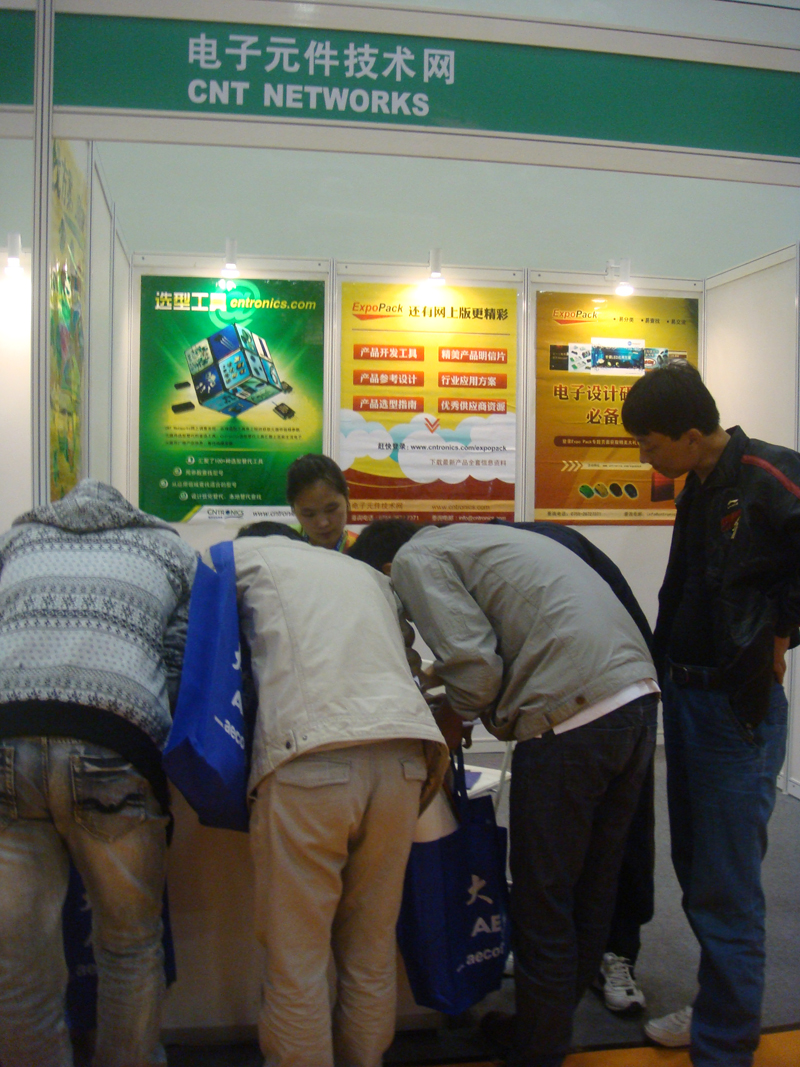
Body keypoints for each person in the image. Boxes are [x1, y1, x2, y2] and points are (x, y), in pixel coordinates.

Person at [348, 520, 658, 1067]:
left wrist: (452, 716)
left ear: (387, 569)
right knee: (591, 886)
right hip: (635, 702)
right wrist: (461, 696)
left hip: (570, 717)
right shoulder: (477, 540)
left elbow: (476, 671)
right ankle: (545, 1029)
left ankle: (537, 1048)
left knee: (543, 897)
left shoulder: (416, 559)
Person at [621, 361, 799, 1064]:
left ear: (691, 434)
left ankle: (724, 1045)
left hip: (736, 709)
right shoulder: (697, 485)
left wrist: (782, 633)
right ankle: (717, 1007)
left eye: (650, 444)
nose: (646, 458)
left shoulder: (768, 472)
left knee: (726, 885)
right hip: (687, 697)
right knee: (696, 870)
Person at [231, 521, 447, 1067]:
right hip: (404, 757)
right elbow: (407, 661)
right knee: (370, 948)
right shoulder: (360, 573)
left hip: (311, 756)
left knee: (297, 958)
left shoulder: (239, 559)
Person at [0, 479, 197, 1067]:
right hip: (113, 745)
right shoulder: (169, 550)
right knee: (129, 946)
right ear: (132, 513)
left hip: (7, 739)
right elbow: (179, 662)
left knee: (18, 957)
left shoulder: (18, 542)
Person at [490, 519, 655, 1016]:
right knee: (579, 857)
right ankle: (559, 977)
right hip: (609, 701)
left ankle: (613, 953)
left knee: (596, 850)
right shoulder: (506, 556)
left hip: (610, 697)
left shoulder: (544, 548)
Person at [286, 453, 357, 551]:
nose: (323, 523)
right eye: (309, 514)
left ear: (347, 498)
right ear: (294, 510)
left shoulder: (363, 550)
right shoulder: (281, 544)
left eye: (331, 510)